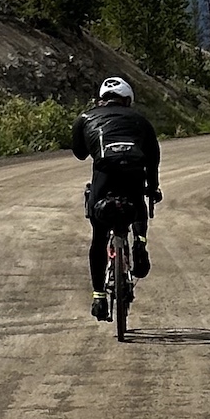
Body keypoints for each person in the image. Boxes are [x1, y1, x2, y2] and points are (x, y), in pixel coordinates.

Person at [72, 76, 162, 322]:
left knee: (99, 237)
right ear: (128, 100)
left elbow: (79, 153)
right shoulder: (140, 120)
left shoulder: (85, 117)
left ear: (101, 99)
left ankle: (99, 297)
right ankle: (140, 242)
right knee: (138, 201)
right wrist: (153, 187)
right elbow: (153, 157)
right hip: (133, 173)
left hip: (104, 175)